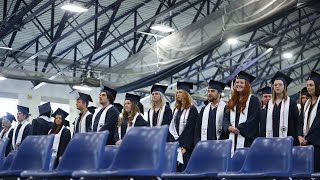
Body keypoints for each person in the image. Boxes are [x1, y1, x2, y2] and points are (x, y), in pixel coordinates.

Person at [222, 71, 260, 153]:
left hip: (246, 139)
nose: (238, 84)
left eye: (241, 82)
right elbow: (225, 118)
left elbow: (254, 118)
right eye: (237, 82)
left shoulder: (253, 100)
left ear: (247, 85)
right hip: (231, 138)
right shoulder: (231, 101)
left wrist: (239, 129)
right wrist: (228, 127)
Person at [261, 71, 299, 145]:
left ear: (284, 87)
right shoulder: (269, 104)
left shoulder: (291, 103)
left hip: (288, 138)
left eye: (280, 85)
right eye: (275, 85)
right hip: (272, 138)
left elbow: (296, 121)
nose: (277, 86)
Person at [168, 81, 198, 172]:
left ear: (186, 94)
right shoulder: (176, 110)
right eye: (177, 93)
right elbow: (172, 128)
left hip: (186, 148)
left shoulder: (192, 110)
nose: (177, 95)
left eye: (180, 92)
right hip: (176, 146)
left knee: (184, 170)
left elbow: (190, 129)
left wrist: (182, 145)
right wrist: (174, 142)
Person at [298, 71, 320, 172]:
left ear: (317, 86)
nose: (308, 87)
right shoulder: (306, 103)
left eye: (311, 85)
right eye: (307, 85)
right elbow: (300, 121)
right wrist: (299, 136)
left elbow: (318, 123)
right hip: (304, 143)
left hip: (317, 143)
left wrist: (308, 138)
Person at [194, 80, 226, 145]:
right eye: (208, 91)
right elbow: (197, 129)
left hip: (219, 145)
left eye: (212, 91)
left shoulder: (225, 108)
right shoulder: (204, 109)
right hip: (205, 145)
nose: (209, 93)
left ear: (219, 93)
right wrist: (197, 144)